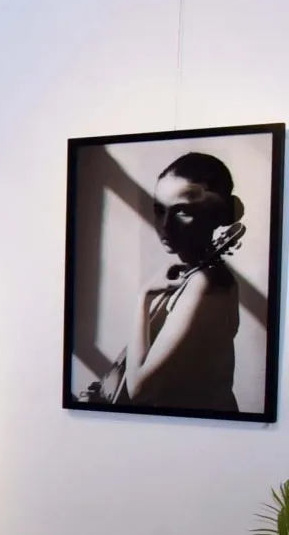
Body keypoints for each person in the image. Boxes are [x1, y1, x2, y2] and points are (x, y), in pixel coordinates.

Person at [94, 152, 243, 411]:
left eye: (182, 211)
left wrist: (144, 297)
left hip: (201, 430)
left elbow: (138, 389)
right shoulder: (198, 276)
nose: (165, 225)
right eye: (159, 210)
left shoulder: (204, 283)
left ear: (215, 214)